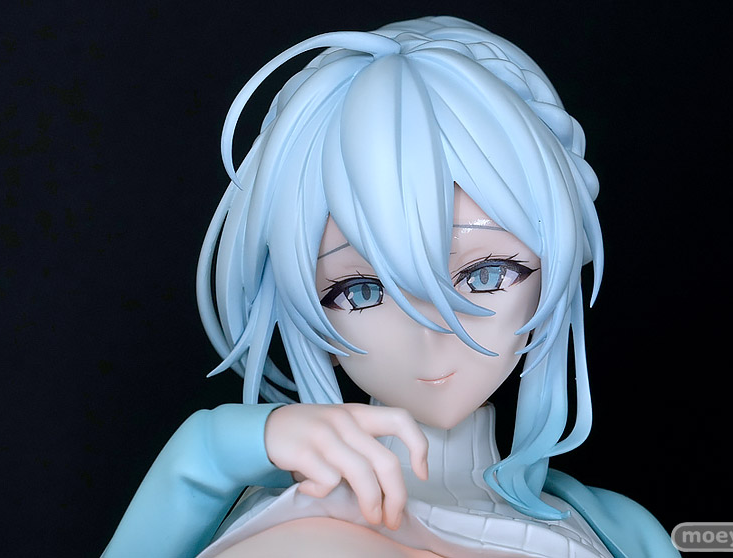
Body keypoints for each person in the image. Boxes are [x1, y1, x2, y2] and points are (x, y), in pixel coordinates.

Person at [103, 16, 679, 558]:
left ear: (553, 269)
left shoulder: (619, 528)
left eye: (486, 275)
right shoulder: (299, 527)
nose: (432, 331)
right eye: (362, 291)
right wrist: (204, 456)